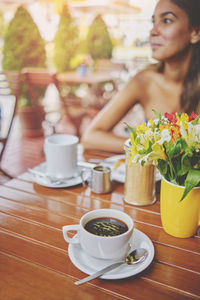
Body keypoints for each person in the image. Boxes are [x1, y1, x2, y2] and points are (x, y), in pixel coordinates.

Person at [81, 0, 200, 153]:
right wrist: (151, 149)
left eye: (167, 20)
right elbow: (91, 137)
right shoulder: (144, 81)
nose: (153, 31)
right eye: (153, 21)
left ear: (195, 33)